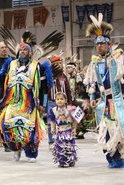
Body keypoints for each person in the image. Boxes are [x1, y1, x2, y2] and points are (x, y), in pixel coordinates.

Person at [0, 42, 48, 162]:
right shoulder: (11, 64)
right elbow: (1, 83)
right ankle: (15, 148)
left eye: (25, 51)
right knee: (8, 124)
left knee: (29, 128)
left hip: (29, 104)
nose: (22, 52)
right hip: (12, 102)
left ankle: (30, 153)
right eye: (20, 51)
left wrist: (43, 104)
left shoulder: (37, 66)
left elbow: (44, 87)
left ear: (30, 53)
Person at [85, 13, 124, 168]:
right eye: (97, 44)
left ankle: (120, 156)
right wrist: (92, 96)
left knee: (120, 128)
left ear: (109, 44)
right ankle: (111, 157)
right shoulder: (95, 64)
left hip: (118, 100)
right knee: (105, 130)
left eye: (102, 44)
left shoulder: (118, 60)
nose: (99, 46)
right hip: (104, 103)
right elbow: (92, 82)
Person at [46, 55, 72, 148]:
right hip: (51, 101)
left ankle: (62, 139)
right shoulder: (48, 75)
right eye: (56, 64)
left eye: (60, 63)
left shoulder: (63, 76)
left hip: (63, 103)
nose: (59, 65)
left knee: (63, 121)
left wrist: (70, 103)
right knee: (51, 121)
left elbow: (68, 90)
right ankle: (51, 142)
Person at [49, 92, 77, 167]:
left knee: (69, 146)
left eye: (61, 99)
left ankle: (70, 160)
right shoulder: (53, 110)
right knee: (59, 147)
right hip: (59, 132)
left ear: (65, 100)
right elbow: (52, 120)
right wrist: (52, 128)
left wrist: (74, 129)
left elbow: (75, 120)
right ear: (55, 101)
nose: (59, 101)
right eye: (57, 99)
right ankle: (62, 161)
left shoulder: (70, 109)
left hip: (68, 130)